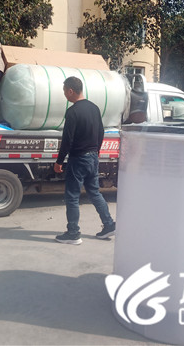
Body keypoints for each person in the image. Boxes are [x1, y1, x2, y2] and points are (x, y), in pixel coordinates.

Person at [54, 77, 116, 245]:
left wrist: (59, 161)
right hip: (93, 157)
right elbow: (101, 132)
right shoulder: (94, 108)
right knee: (94, 192)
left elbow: (67, 140)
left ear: (70, 91)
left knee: (72, 196)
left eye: (64, 91)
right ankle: (109, 224)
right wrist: (96, 151)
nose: (64, 95)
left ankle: (73, 233)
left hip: (78, 159)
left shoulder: (72, 112)